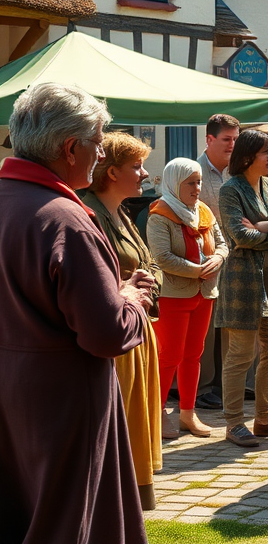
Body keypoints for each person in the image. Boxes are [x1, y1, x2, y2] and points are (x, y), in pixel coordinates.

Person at [0, 82, 151, 544]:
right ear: (70, 148)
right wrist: (131, 300)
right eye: (98, 139)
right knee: (70, 523)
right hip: (63, 400)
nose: (102, 151)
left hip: (11, 389)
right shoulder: (64, 218)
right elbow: (106, 333)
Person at [80, 132, 164, 509]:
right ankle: (113, 500)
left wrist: (148, 282)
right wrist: (126, 285)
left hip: (139, 328)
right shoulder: (89, 213)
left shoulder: (124, 213)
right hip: (117, 332)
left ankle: (132, 497)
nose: (144, 173)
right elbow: (90, 279)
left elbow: (151, 263)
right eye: (137, 166)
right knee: (121, 420)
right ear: (111, 172)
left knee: (137, 416)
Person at [216, 129, 268, 448]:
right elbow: (240, 236)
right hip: (243, 280)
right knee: (240, 354)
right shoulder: (230, 190)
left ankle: (264, 418)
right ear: (248, 155)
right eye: (266, 152)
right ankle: (234, 423)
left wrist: (265, 227)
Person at [148, 157, 229, 443]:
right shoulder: (159, 214)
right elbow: (162, 257)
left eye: (199, 182)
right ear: (174, 184)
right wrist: (199, 271)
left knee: (193, 355)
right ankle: (155, 413)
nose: (197, 188)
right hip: (173, 296)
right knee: (168, 356)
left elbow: (221, 243)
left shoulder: (203, 210)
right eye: (191, 183)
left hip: (204, 294)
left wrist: (218, 258)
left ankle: (187, 412)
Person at [195, 113, 240, 411]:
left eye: (236, 140)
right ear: (209, 139)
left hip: (235, 259)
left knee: (229, 326)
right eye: (227, 140)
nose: (233, 146)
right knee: (206, 329)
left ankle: (225, 384)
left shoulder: (235, 172)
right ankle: (200, 387)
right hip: (207, 261)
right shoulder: (193, 171)